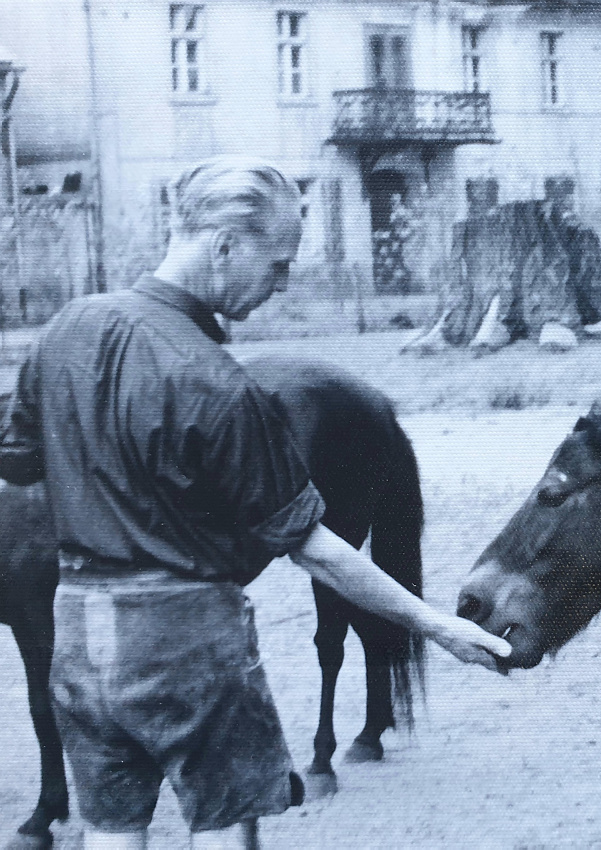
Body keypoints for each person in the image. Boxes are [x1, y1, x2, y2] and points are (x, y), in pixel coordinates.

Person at [0, 157, 511, 850]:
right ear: (224, 246)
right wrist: (439, 626)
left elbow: (20, 463)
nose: (282, 283)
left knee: (111, 837)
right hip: (186, 644)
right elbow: (319, 550)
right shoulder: (220, 386)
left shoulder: (64, 329)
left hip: (81, 641)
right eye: (277, 265)